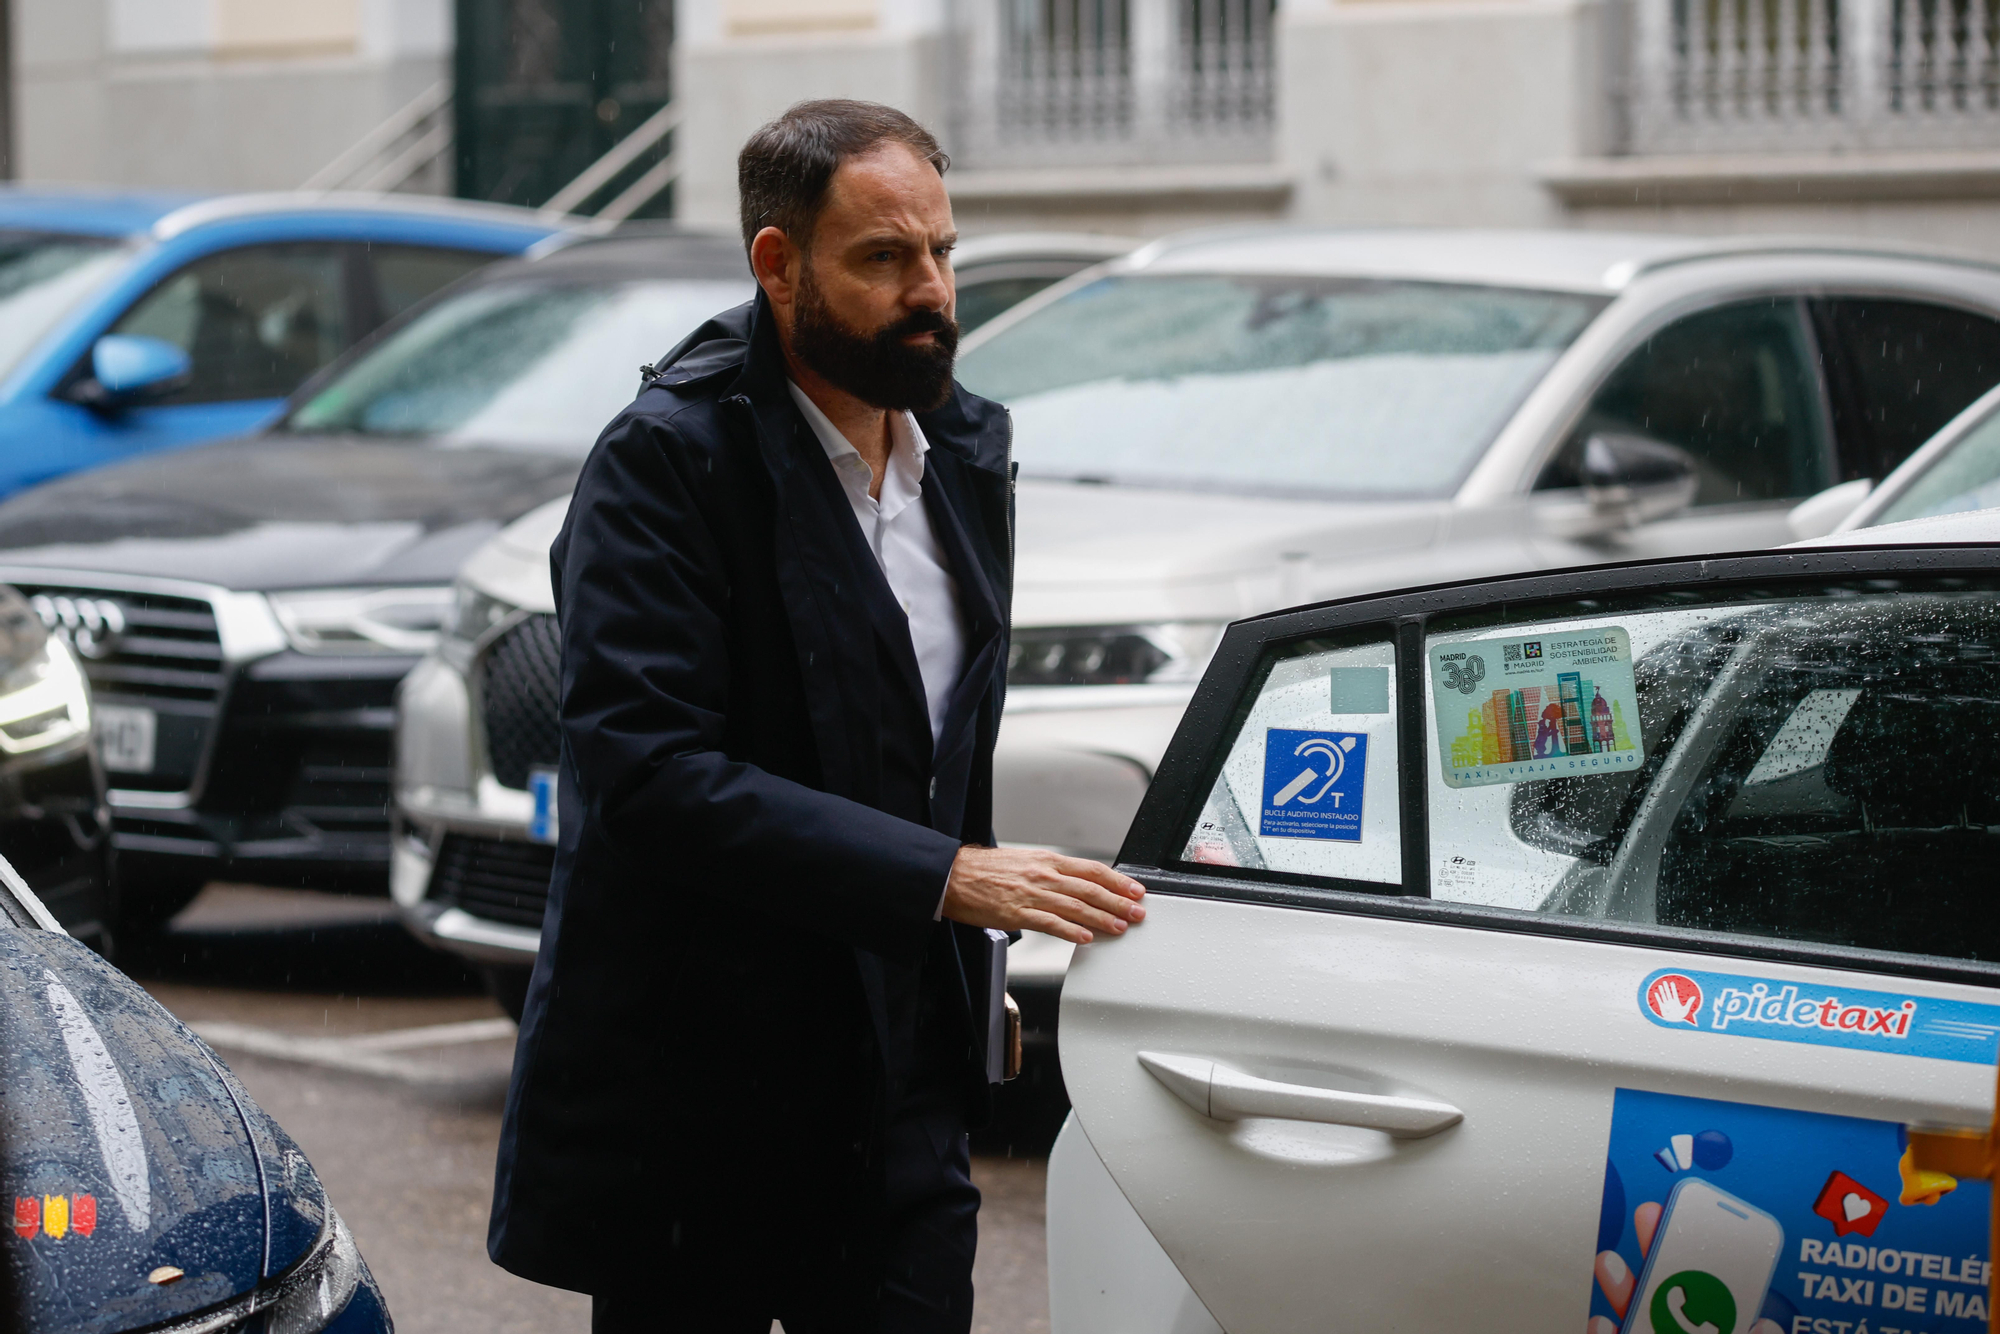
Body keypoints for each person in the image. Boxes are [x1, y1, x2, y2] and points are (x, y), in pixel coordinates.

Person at [487, 99, 1148, 1333]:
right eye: (884, 259)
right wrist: (948, 880)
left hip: (898, 1082)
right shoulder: (664, 464)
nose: (931, 291)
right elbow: (648, 776)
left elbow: (937, 741)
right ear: (776, 267)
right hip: (701, 1095)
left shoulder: (961, 451)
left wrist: (962, 961)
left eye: (941, 252)